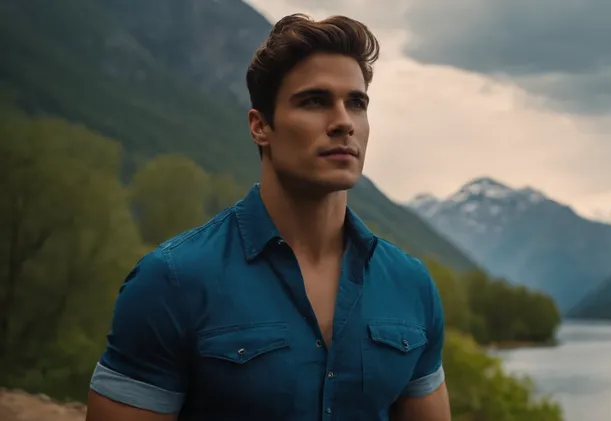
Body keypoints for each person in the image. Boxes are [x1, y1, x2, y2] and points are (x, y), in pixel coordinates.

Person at [86, 13, 450, 421]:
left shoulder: (411, 286)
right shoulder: (171, 281)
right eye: (315, 101)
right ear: (260, 126)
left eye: (356, 103)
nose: (343, 122)